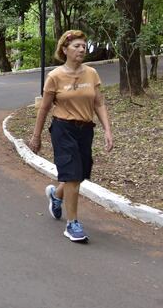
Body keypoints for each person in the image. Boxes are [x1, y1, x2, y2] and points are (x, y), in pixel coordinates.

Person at [30, 30, 114, 242]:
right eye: (76, 46)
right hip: (63, 129)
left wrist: (107, 130)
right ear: (65, 49)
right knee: (73, 174)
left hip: (85, 130)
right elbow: (44, 108)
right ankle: (72, 223)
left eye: (83, 46)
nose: (81, 49)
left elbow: (99, 103)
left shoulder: (91, 74)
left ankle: (56, 196)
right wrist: (36, 136)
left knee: (79, 174)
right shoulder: (55, 77)